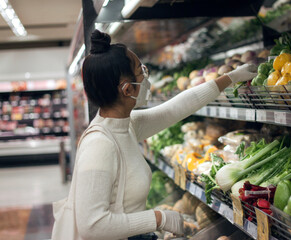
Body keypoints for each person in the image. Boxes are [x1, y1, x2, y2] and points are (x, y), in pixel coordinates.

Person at [52, 29, 257, 240]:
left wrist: (230, 78)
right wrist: (159, 218)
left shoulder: (125, 125)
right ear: (127, 89)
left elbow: (175, 108)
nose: (146, 78)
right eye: (141, 73)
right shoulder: (100, 145)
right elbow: (92, 226)